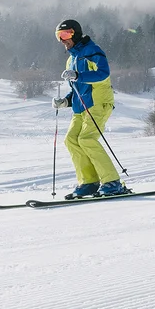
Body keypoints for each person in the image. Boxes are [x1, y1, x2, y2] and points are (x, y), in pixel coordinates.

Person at [53, 19, 128, 198]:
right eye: (59, 36)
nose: (62, 40)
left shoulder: (92, 51)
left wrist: (78, 75)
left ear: (76, 33)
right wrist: (65, 101)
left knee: (87, 139)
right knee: (71, 140)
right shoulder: (71, 60)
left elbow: (103, 74)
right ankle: (89, 182)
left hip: (97, 102)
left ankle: (112, 182)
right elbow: (77, 88)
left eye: (65, 34)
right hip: (80, 107)